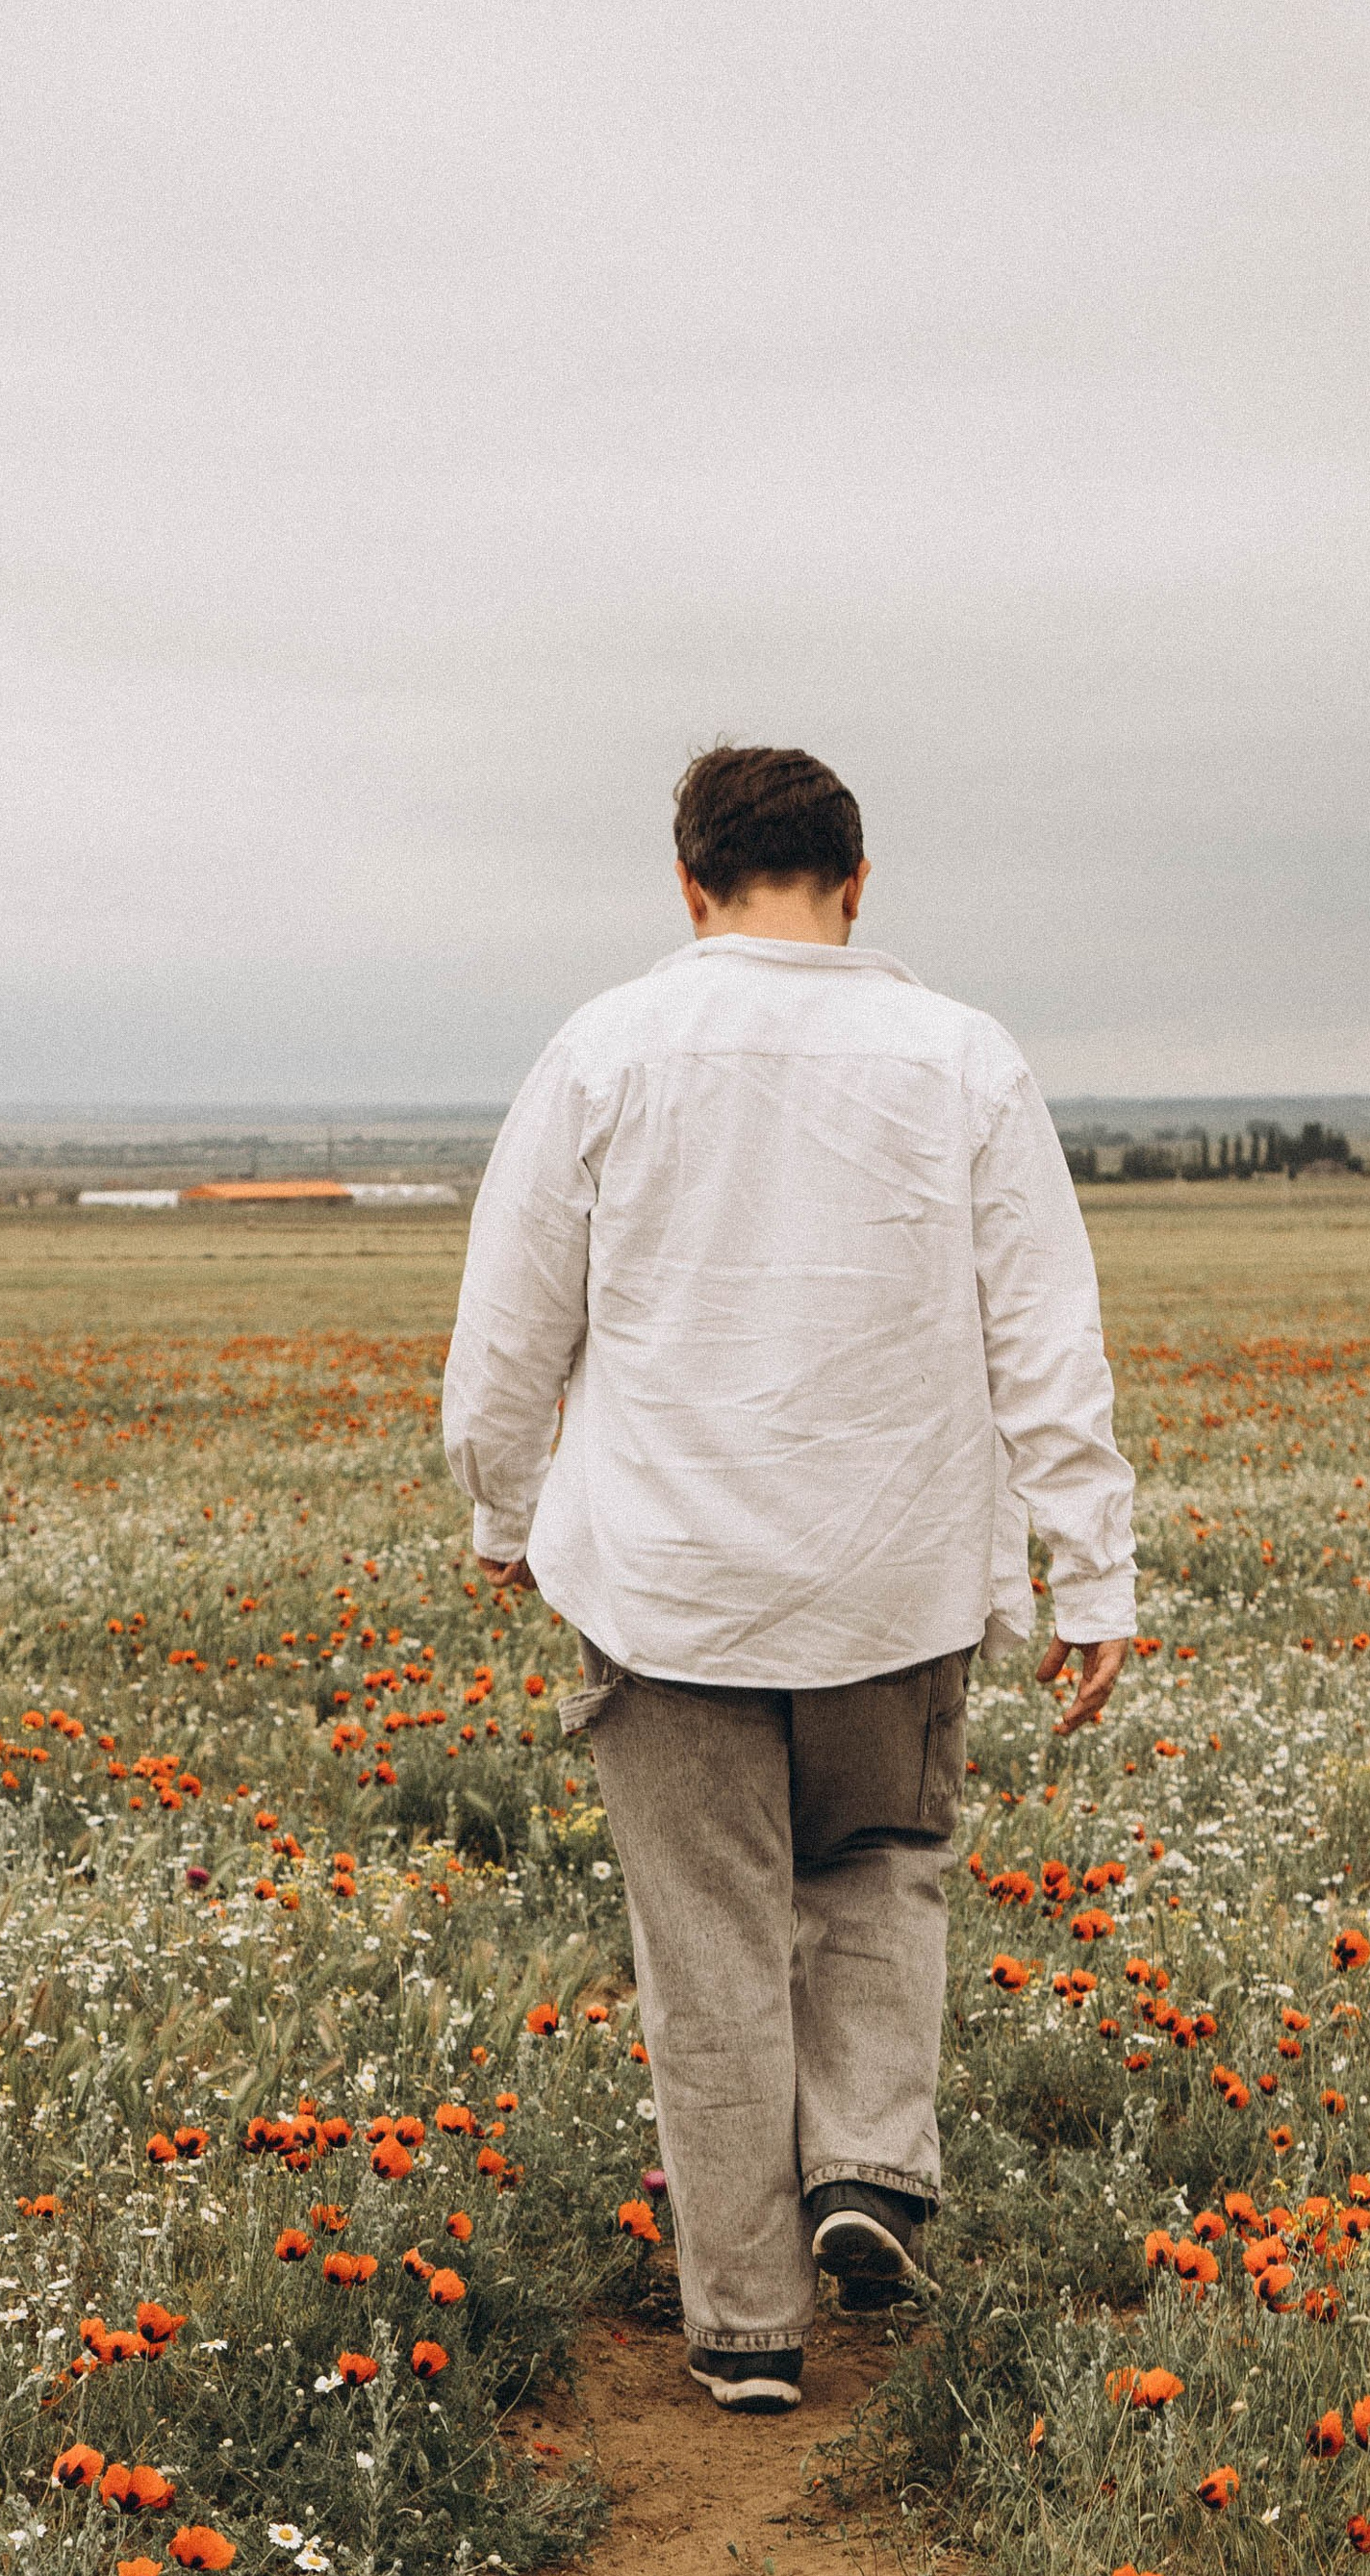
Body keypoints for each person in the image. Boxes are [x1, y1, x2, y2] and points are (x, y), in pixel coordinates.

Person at [443, 742, 1137, 2414]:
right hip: (891, 1575)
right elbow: (1047, 1331)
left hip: (666, 1585)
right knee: (883, 1868)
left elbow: (508, 1329)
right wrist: (1089, 1574)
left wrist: (502, 1508)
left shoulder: (604, 1049)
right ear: (859, 880)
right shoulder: (964, 1058)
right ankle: (873, 2176)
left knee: (709, 1950)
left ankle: (745, 2324)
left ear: (690, 885)